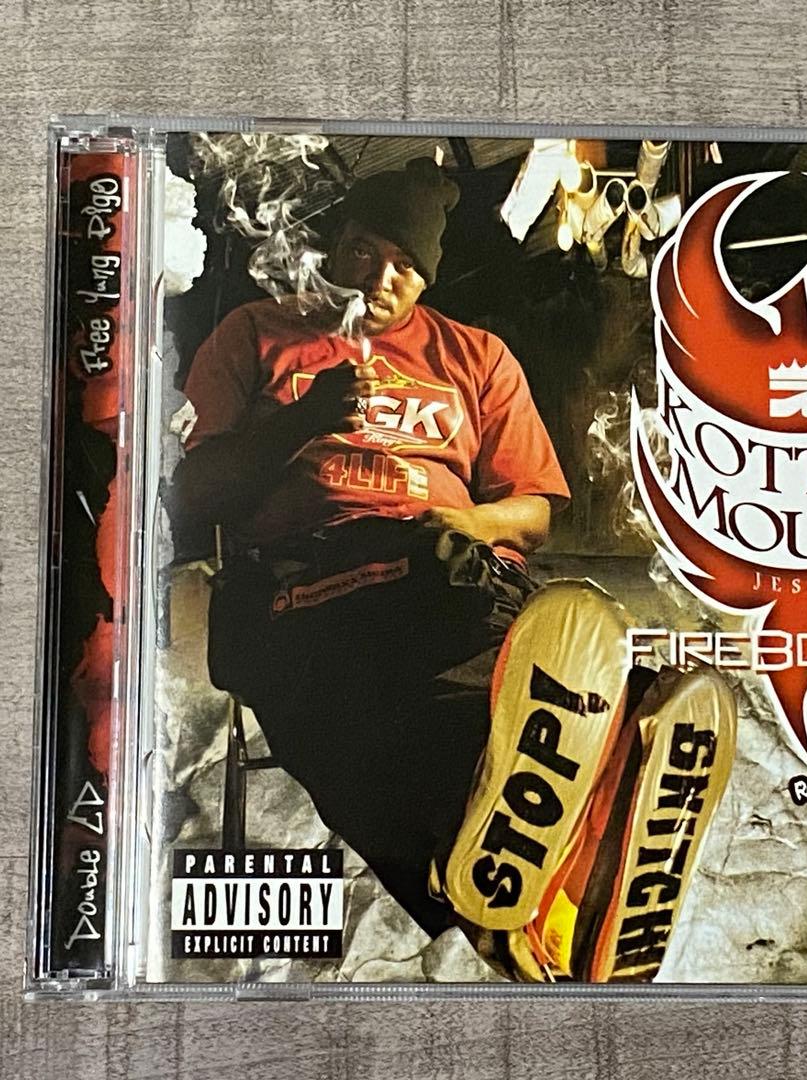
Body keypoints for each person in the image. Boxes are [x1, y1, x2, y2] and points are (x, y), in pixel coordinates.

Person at [170, 157, 570, 936]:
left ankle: (532, 834)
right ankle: (485, 882)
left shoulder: (476, 356)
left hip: (446, 575)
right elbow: (195, 493)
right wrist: (305, 418)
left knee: (468, 675)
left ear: (427, 280)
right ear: (334, 245)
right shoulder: (256, 331)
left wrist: (470, 525)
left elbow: (534, 510)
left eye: (406, 266)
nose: (381, 279)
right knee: (368, 709)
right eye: (364, 250)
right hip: (305, 583)